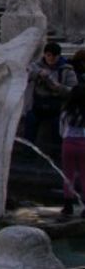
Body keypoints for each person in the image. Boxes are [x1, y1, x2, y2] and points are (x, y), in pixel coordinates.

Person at [26, 41, 78, 154]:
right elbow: (26, 72)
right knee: (30, 121)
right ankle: (28, 151)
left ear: (59, 56)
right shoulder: (36, 65)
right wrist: (39, 73)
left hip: (57, 106)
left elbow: (74, 90)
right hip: (38, 105)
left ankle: (58, 152)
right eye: (49, 55)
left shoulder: (67, 69)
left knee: (58, 124)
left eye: (54, 56)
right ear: (45, 54)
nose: (51, 59)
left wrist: (59, 87)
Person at [59, 84, 85, 217]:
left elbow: (61, 130)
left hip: (68, 144)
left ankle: (67, 206)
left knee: (68, 175)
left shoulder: (66, 111)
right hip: (83, 144)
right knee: (84, 175)